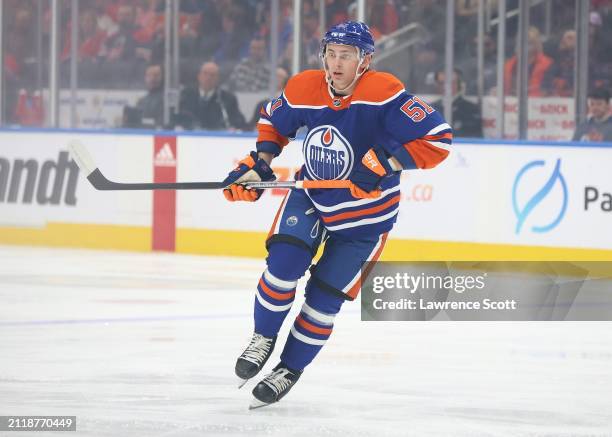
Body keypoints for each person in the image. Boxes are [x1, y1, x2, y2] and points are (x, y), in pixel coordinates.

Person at [221, 21, 452, 408]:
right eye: (331, 53)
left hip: (366, 219)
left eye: (346, 55)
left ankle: (289, 369)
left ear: (365, 60)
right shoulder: (303, 87)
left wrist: (384, 163)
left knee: (323, 301)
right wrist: (259, 163)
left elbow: (438, 138)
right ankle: (263, 336)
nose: (336, 62)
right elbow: (273, 122)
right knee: (283, 266)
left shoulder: (384, 92)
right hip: (312, 197)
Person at [177, 61, 246, 130]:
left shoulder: (227, 99)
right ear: (199, 76)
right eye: (205, 74)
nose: (208, 78)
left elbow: (238, 121)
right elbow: (178, 117)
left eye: (212, 75)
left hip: (217, 138)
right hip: (190, 137)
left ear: (218, 79)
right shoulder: (187, 95)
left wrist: (233, 127)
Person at [431, 69, 483, 138]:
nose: (446, 86)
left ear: (459, 84)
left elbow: (475, 136)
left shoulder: (471, 109)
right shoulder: (431, 108)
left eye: (451, 82)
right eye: (442, 83)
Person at [504, 27, 553, 97]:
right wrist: (498, 91)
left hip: (536, 103)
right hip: (510, 103)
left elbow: (547, 90)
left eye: (529, 43)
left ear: (537, 44)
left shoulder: (548, 64)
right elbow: (505, 88)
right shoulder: (508, 64)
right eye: (520, 42)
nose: (523, 46)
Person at [123, 64, 164, 128]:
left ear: (161, 77)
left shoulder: (166, 101)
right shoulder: (142, 101)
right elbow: (135, 123)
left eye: (156, 75)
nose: (152, 79)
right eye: (149, 75)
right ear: (145, 78)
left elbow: (162, 125)